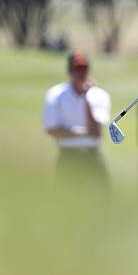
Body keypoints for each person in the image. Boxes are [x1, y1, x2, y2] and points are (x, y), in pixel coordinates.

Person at [43, 51, 111, 193]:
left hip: (92, 158)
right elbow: (52, 130)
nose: (81, 73)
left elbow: (96, 132)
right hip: (68, 158)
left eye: (84, 69)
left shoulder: (99, 95)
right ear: (69, 71)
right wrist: (84, 132)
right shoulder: (55, 94)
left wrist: (86, 99)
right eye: (77, 69)